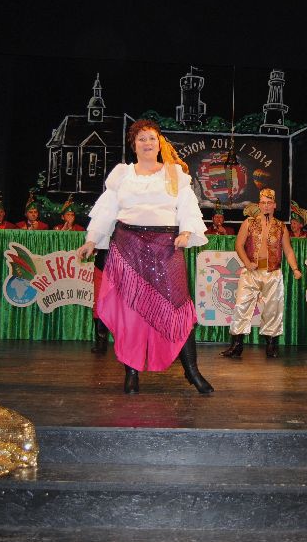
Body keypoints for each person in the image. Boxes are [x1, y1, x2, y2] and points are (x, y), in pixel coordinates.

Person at [76, 119, 212, 394]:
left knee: (179, 310)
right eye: (141, 139)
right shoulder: (122, 175)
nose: (147, 143)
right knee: (131, 312)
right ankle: (131, 373)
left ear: (159, 143)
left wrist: (186, 231)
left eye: (152, 138)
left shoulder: (174, 173)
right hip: (129, 245)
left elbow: (188, 206)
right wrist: (92, 240)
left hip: (166, 246)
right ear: (134, 145)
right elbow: (107, 209)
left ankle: (192, 371)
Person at [219, 189, 303, 359]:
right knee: (241, 306)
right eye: (263, 203)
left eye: (269, 203)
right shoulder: (249, 223)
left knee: (273, 309)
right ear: (259, 204)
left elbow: (288, 250)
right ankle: (236, 345)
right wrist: (247, 263)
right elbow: (239, 245)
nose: (266, 206)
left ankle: (271, 345)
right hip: (251, 272)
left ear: (274, 205)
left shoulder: (281, 226)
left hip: (272, 272)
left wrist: (295, 268)